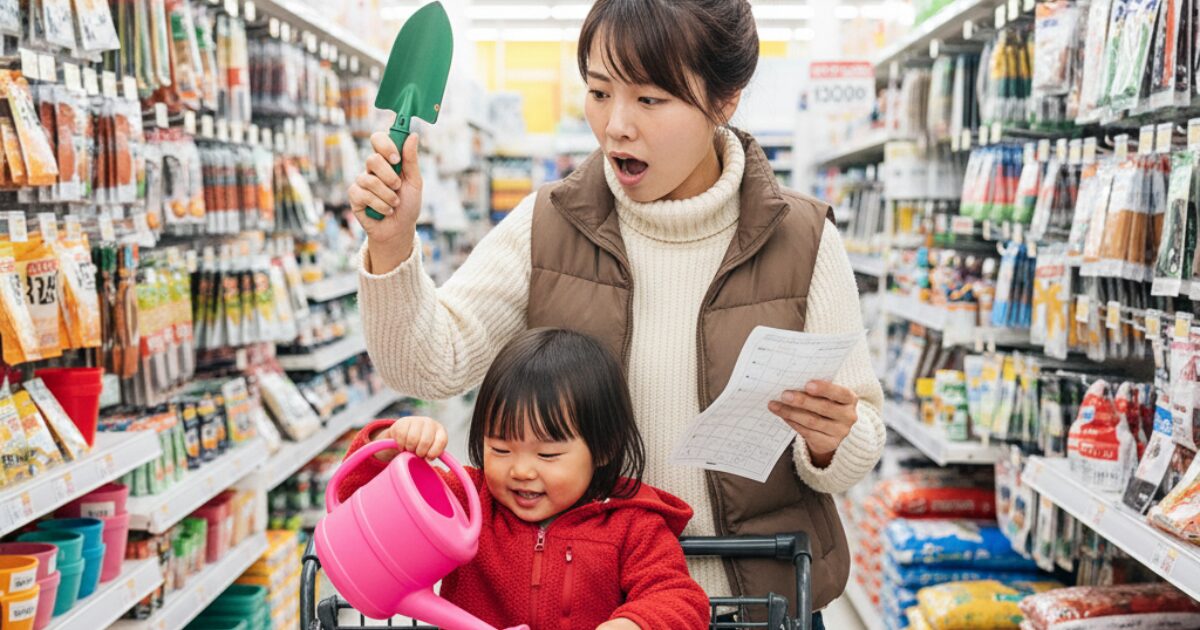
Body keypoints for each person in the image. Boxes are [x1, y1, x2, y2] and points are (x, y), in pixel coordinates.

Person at [346, 0, 885, 623]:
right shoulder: (548, 224)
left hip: (755, 601)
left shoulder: (803, 239)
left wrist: (832, 441)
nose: (616, 126)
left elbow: (858, 434)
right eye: (599, 91)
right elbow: (428, 365)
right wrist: (391, 246)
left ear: (725, 100)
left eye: (650, 100)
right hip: (591, 608)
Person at [334, 328, 710, 629]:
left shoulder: (633, 525)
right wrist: (390, 445)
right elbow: (357, 499)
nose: (522, 470)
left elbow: (679, 598)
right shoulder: (467, 504)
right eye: (500, 449)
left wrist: (632, 624)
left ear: (604, 448)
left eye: (547, 454)